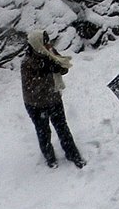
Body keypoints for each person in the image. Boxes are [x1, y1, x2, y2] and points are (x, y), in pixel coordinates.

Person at [20, 30, 85, 170]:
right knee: (43, 131)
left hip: (53, 99)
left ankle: (73, 154)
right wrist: (47, 70)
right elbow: (33, 88)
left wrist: (58, 67)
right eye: (46, 42)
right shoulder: (27, 63)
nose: (49, 45)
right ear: (37, 44)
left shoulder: (50, 52)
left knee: (62, 127)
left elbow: (63, 68)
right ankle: (49, 157)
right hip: (35, 104)